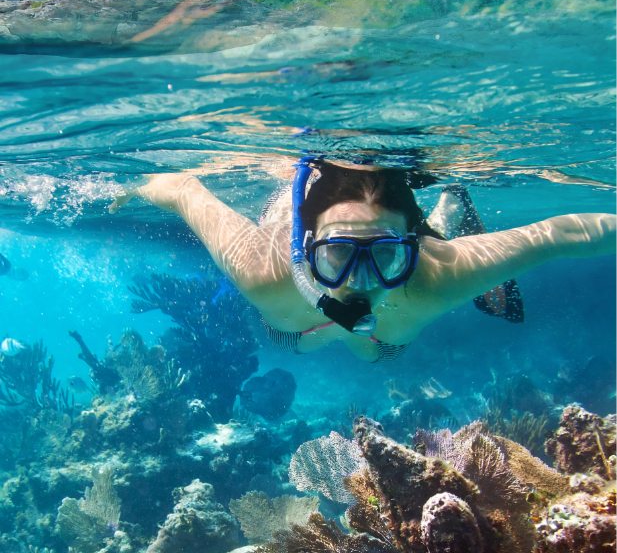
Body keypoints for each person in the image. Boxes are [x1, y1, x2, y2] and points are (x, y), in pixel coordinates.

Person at [110, 159, 616, 363]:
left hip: (377, 340)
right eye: (336, 253)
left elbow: (562, 233)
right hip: (306, 325)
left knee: (372, 350)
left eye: (388, 256)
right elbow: (181, 188)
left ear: (411, 250)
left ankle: (446, 212)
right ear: (306, 247)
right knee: (323, 345)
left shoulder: (437, 275)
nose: (360, 282)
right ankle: (430, 218)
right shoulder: (262, 269)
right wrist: (130, 188)